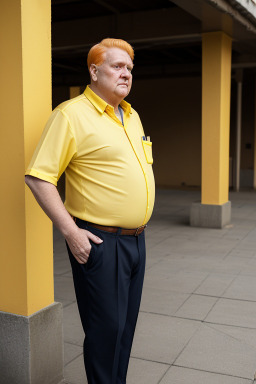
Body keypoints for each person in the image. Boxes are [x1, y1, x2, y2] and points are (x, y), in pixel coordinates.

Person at [25, 38, 155, 384]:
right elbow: (39, 177)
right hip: (100, 242)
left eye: (129, 68)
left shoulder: (131, 115)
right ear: (94, 71)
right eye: (117, 66)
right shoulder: (70, 115)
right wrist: (70, 232)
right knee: (105, 333)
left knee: (124, 331)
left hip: (136, 242)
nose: (126, 73)